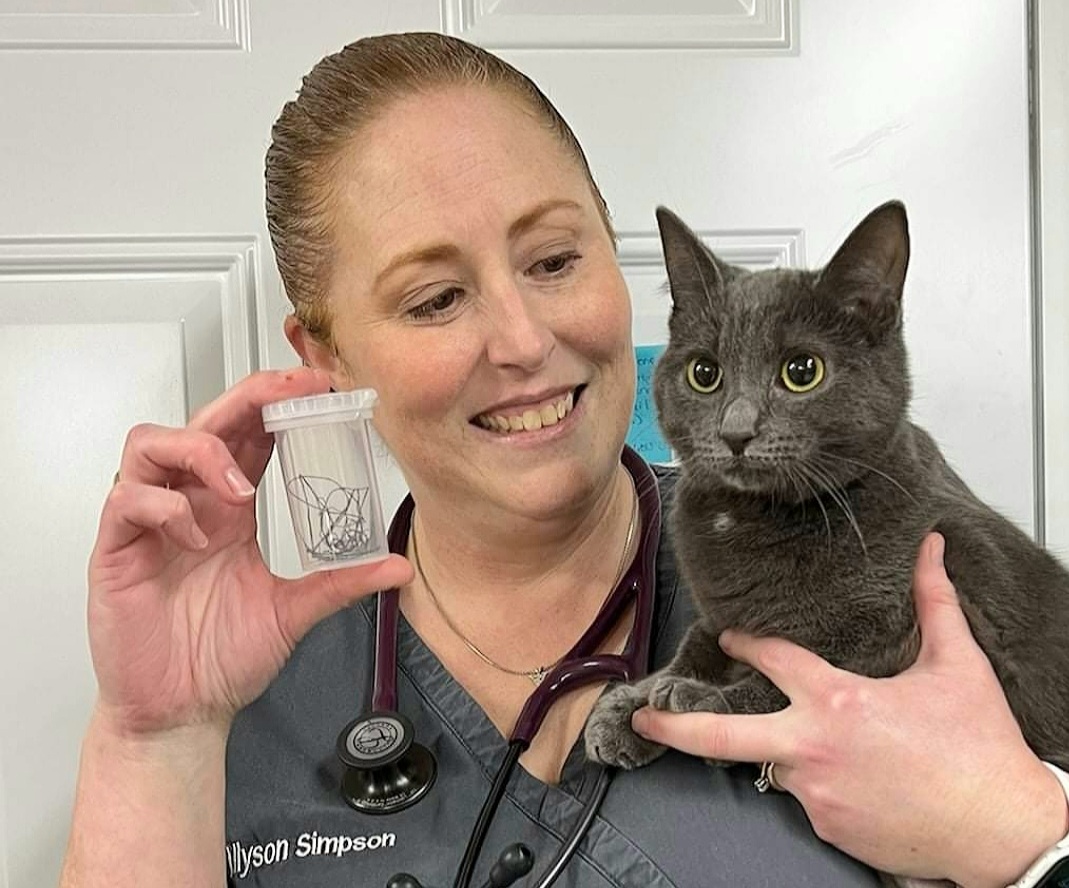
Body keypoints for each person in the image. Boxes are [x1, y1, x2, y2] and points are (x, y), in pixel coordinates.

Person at [60, 32, 1067, 888]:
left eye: (553, 261)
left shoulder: (905, 575)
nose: (521, 340)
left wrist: (1018, 832)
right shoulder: (252, 688)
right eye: (435, 298)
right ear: (326, 358)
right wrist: (153, 739)